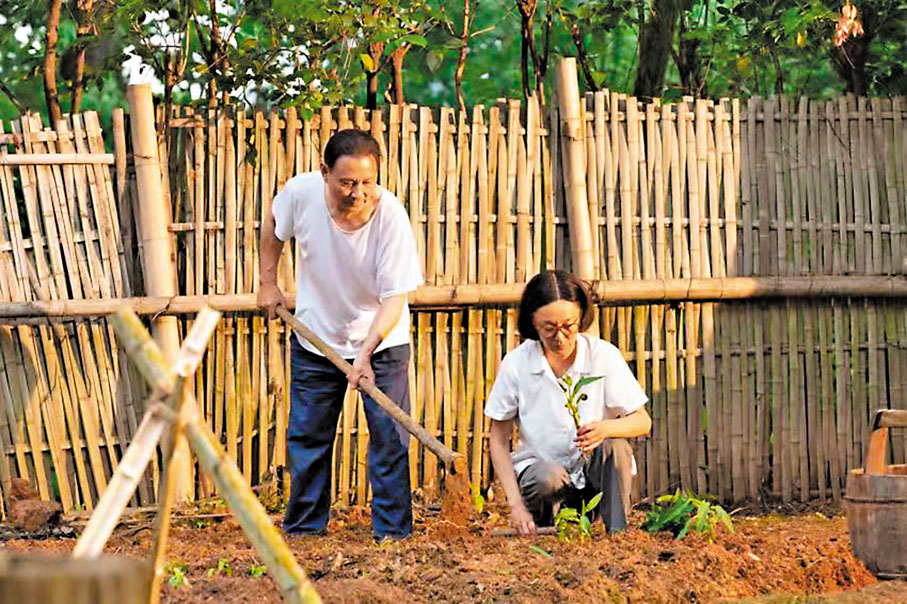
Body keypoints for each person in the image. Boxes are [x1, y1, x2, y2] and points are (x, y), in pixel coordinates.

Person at [258, 129, 423, 539]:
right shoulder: (302, 193)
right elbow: (274, 225)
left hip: (383, 342)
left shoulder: (391, 218)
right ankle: (305, 531)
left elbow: (393, 299)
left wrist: (365, 354)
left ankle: (392, 536)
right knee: (309, 437)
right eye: (347, 182)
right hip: (317, 338)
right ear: (324, 173)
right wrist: (267, 282)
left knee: (389, 439)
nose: (358, 192)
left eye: (367, 182)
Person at [485, 270, 651, 536]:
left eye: (568, 326)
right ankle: (543, 527)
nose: (559, 337)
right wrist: (515, 505)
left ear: (581, 317)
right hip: (546, 482)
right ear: (532, 322)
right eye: (549, 328)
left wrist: (606, 429)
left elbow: (643, 421)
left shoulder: (603, 356)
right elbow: (498, 438)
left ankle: (616, 534)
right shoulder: (517, 364)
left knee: (616, 449)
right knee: (545, 476)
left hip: (592, 480)